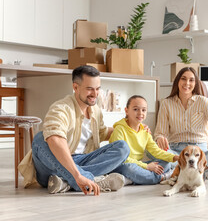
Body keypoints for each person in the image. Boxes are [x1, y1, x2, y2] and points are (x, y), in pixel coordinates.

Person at [18, 65, 130, 195]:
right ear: (75, 87)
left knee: (123, 147)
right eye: (89, 89)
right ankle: (87, 180)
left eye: (97, 89)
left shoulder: (95, 110)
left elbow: (102, 133)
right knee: (40, 139)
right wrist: (77, 175)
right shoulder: (61, 108)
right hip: (53, 163)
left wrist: (131, 126)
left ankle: (64, 183)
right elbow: (55, 140)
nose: (95, 94)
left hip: (81, 161)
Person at [109, 95, 179, 185]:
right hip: (121, 165)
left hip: (139, 165)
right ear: (126, 111)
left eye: (143, 110)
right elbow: (121, 158)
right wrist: (146, 166)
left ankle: (132, 180)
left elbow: (156, 151)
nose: (140, 113)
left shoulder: (145, 131)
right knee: (129, 168)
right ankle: (162, 177)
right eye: (135, 109)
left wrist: (175, 157)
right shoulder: (119, 130)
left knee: (166, 163)